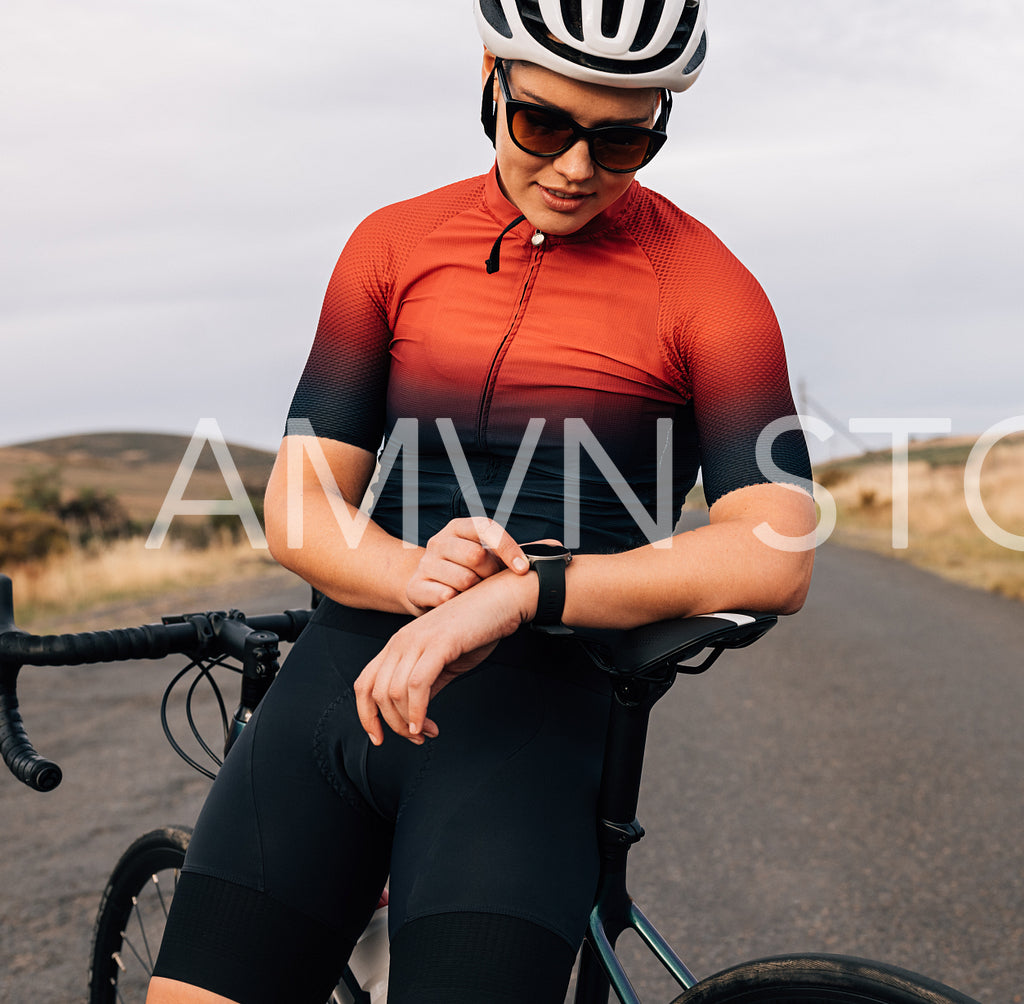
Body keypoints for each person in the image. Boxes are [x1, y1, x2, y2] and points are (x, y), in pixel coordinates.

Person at [147, 2, 816, 1001]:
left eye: (623, 140)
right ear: (489, 78)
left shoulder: (706, 290)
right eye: (542, 124)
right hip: (335, 692)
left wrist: (520, 592)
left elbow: (775, 548)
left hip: (527, 735)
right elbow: (301, 503)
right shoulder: (393, 245)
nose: (578, 168)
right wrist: (410, 571)